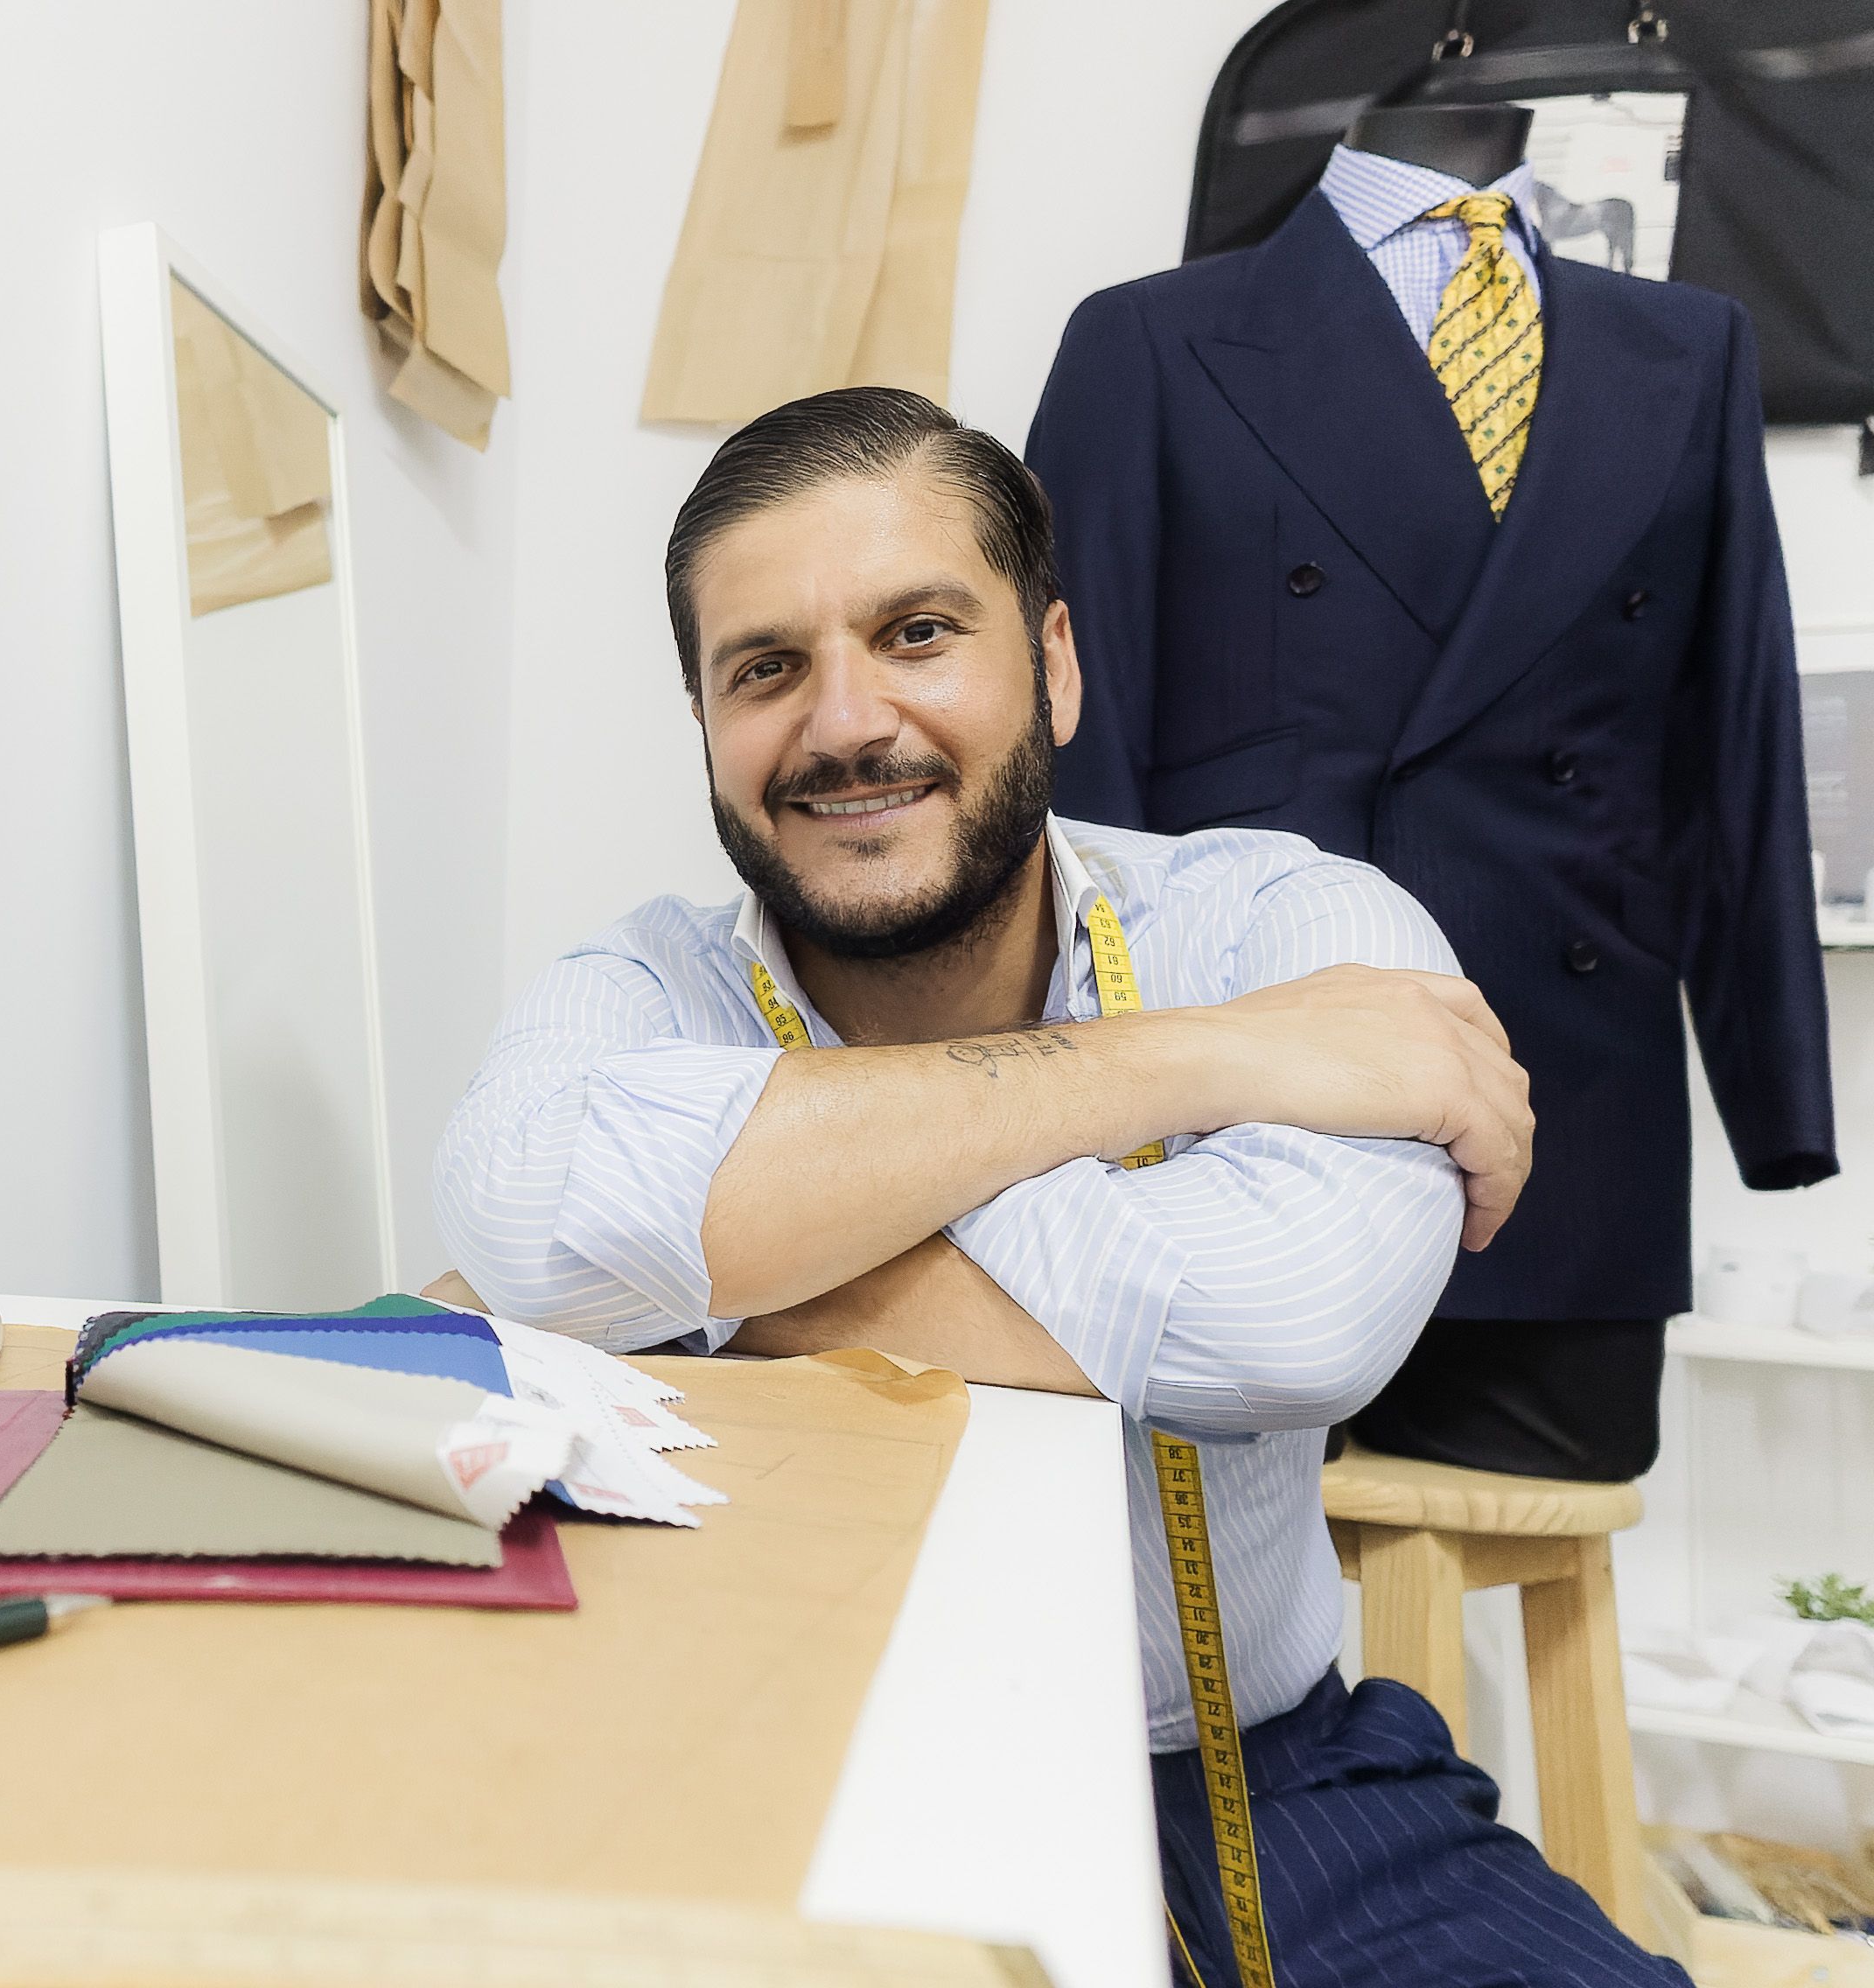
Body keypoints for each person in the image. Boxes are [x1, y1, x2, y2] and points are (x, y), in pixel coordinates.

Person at [430, 388, 1680, 1986]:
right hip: (781, 1768)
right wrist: (1170, 1069)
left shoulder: (1289, 929)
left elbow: (1283, 1324)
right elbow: (536, 1211)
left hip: (1265, 1781)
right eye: (766, 669)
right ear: (706, 725)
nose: (844, 722)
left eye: (918, 632)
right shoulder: (638, 985)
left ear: (1057, 665)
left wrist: (702, 1270)